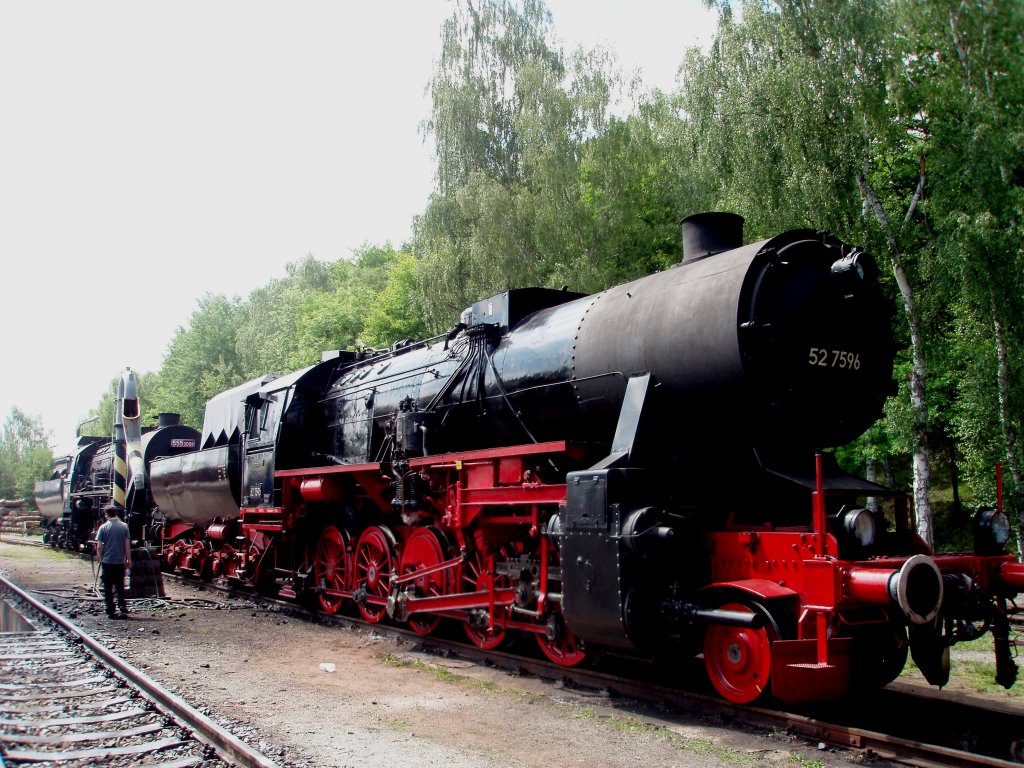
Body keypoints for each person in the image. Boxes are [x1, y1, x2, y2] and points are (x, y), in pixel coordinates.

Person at [96, 506, 132, 619]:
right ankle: (122, 606)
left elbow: (99, 547)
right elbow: (127, 545)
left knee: (108, 587)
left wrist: (101, 559)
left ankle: (110, 610)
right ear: (115, 513)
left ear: (106, 514)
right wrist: (128, 559)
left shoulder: (103, 528)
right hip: (119, 561)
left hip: (107, 561)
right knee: (120, 585)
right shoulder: (124, 526)